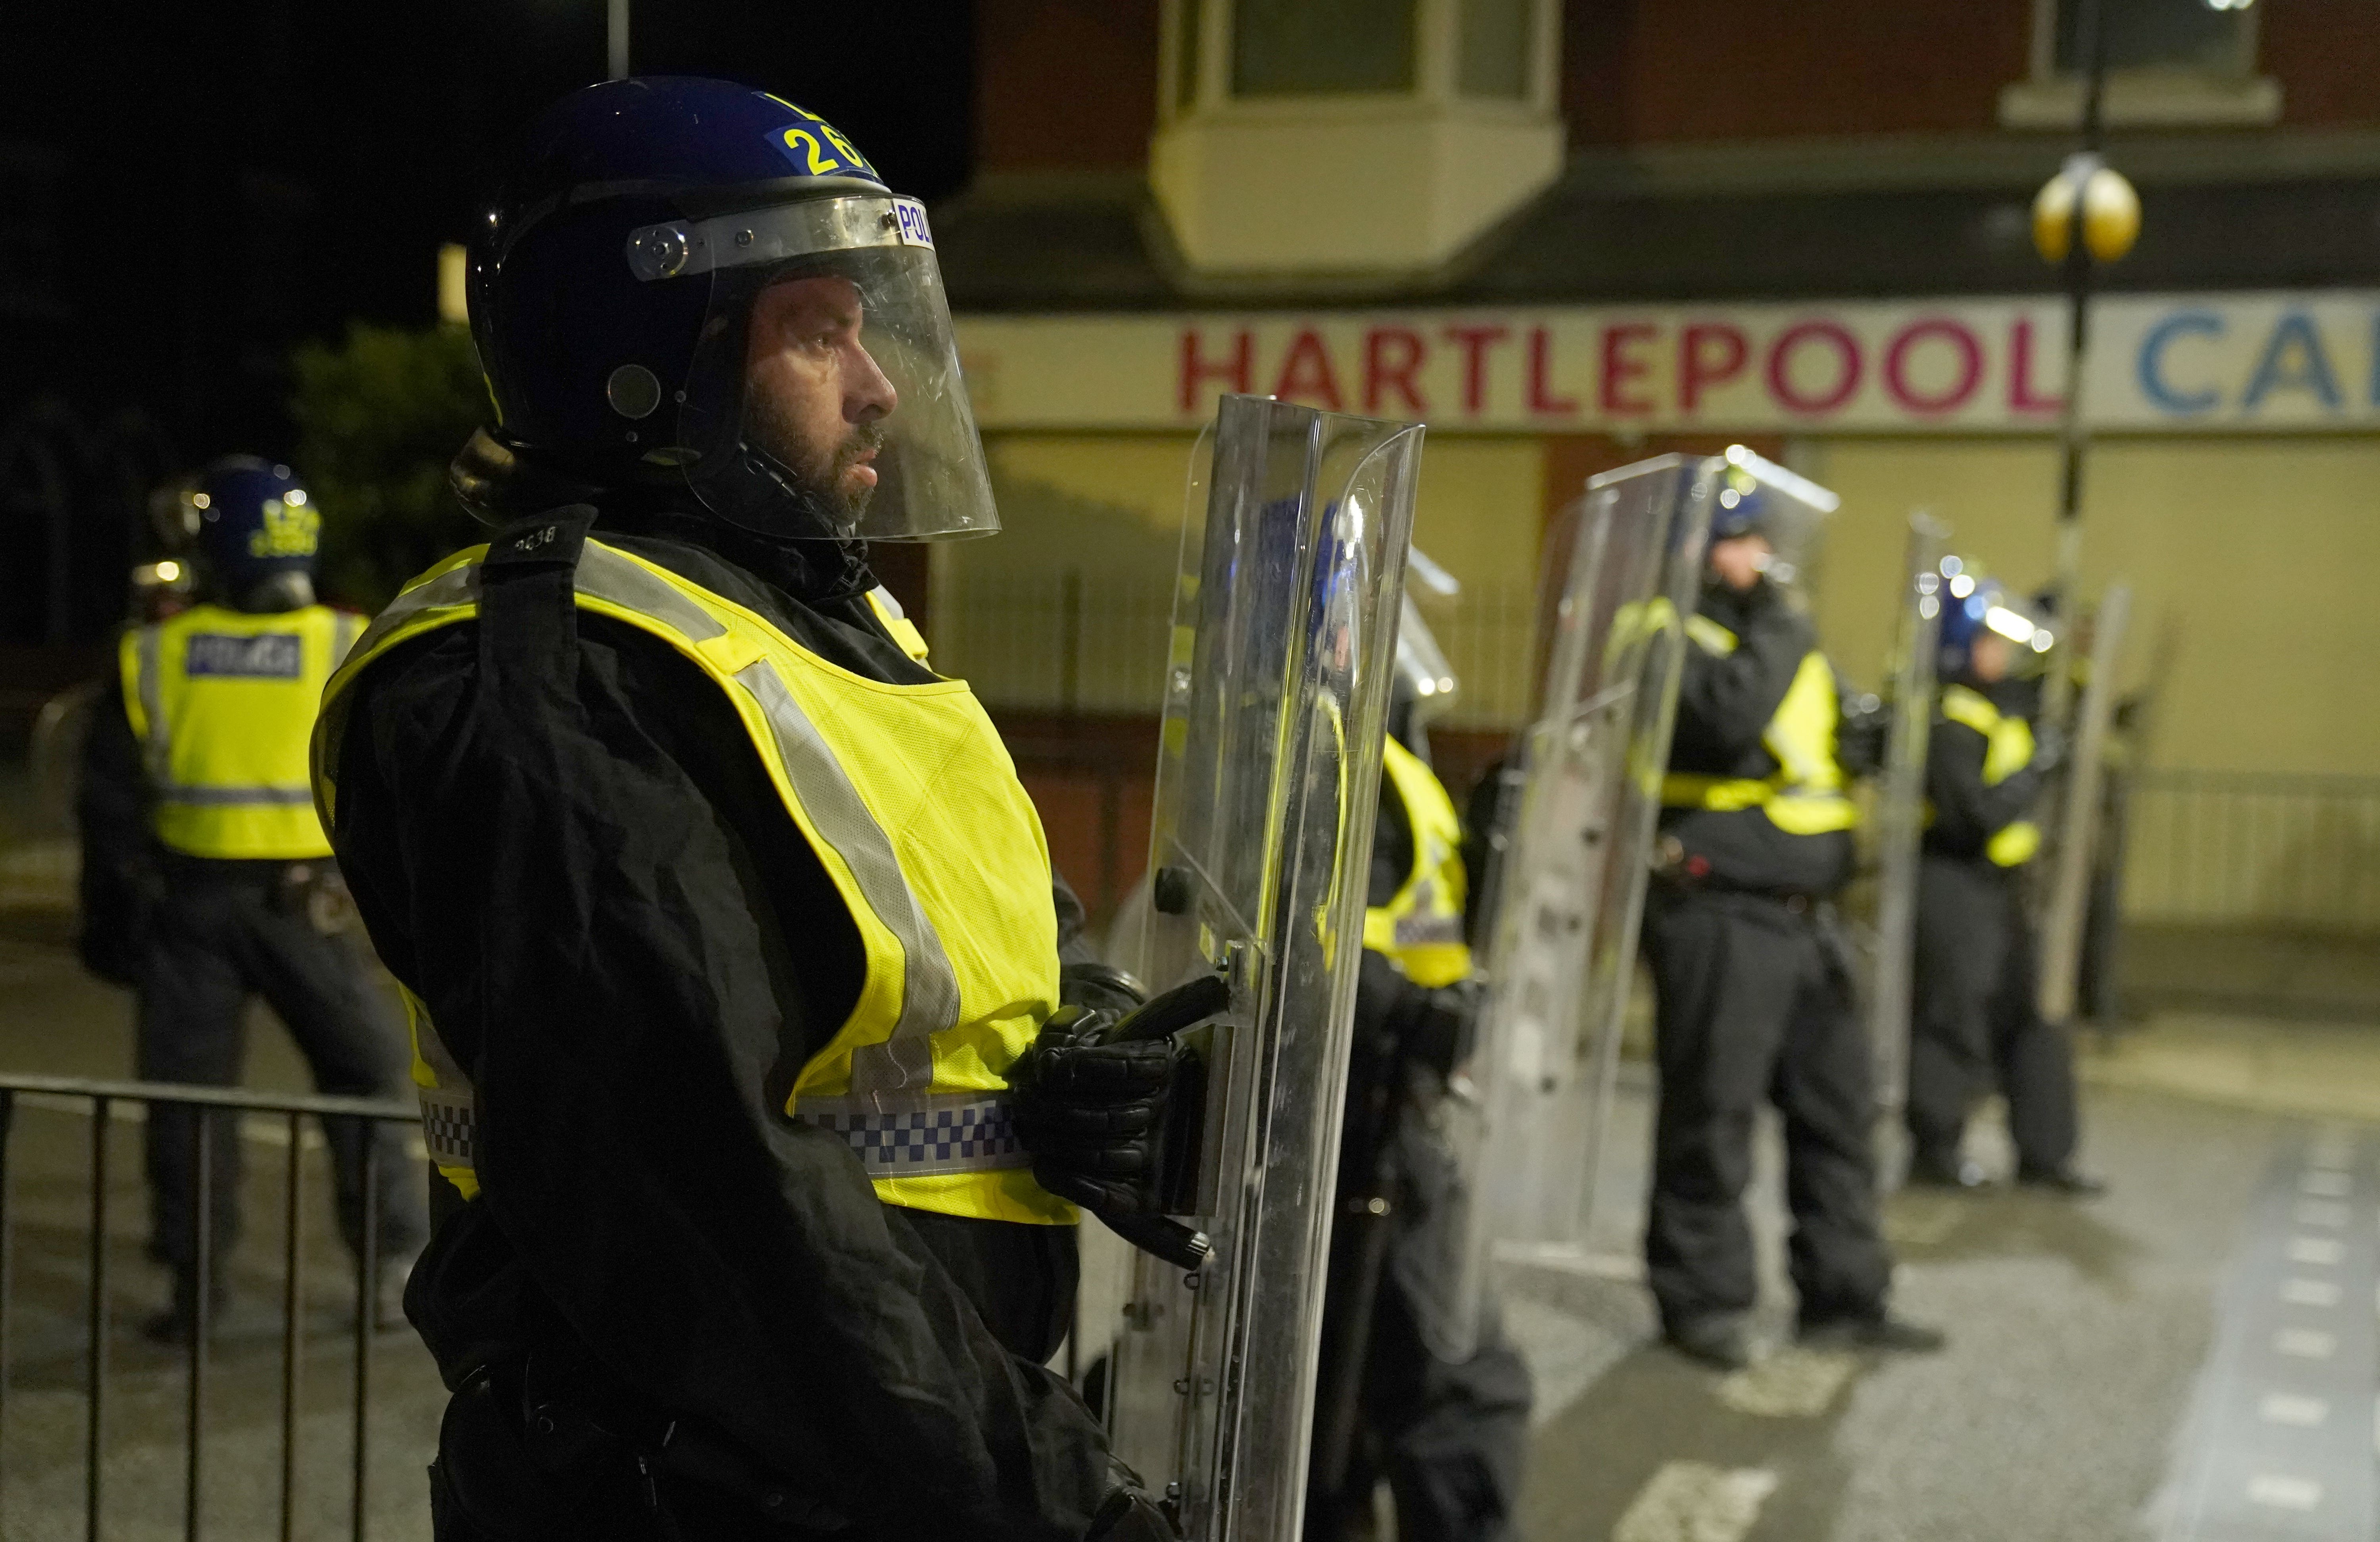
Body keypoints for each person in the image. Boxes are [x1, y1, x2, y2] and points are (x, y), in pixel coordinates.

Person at [310, 78, 1177, 1540]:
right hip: (699, 1487)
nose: (882, 383)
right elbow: (718, 1204)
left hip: (889, 1471)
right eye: (817, 333)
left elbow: (968, 948)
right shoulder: (549, 674)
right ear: (647, 359)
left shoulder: (829, 633)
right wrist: (1061, 1504)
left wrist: (1077, 1038)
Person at [77, 455, 428, 1343]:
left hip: (187, 910)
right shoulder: (348, 639)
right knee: (365, 1080)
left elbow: (110, 808)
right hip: (309, 907)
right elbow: (399, 786)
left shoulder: (155, 652)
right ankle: (389, 1273)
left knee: (192, 1103)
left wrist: (109, 927)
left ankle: (198, 1293)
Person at [1643, 473, 1942, 1369]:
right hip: (1721, 907)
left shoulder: (1769, 635)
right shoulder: (1660, 630)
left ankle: (1845, 1293)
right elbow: (1724, 717)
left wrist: (1865, 735)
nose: (1756, 559)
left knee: (1839, 1112)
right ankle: (1704, 1300)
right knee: (1713, 1115)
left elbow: (1807, 737)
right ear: (1689, 551)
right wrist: (1786, 622)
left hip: (1805, 916)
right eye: (1736, 542)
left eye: (1758, 541)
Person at [1307, 595, 1532, 1542]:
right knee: (1453, 1368)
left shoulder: (1373, 750)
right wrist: (1417, 1011)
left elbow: (1409, 912)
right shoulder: (1322, 750)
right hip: (1364, 1096)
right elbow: (1295, 934)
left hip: (1390, 1088)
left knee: (1354, 1370)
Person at [1906, 577, 2101, 1194]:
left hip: (2003, 888)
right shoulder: (1949, 718)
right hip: (1955, 881)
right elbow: (1977, 813)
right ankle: (1935, 1150)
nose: (2002, 654)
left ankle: (2047, 1155)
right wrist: (2034, 773)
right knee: (1953, 1017)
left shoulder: (1998, 704)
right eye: (1989, 641)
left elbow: (2046, 682)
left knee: (2034, 1017)